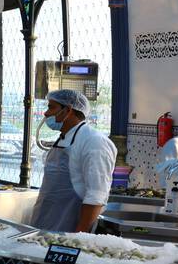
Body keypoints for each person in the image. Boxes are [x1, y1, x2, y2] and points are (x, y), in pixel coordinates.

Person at [29, 89, 117, 234]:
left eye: (51, 107)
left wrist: (77, 237)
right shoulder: (63, 137)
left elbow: (96, 196)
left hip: (68, 231)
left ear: (68, 110)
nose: (46, 113)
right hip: (44, 225)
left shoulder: (94, 142)